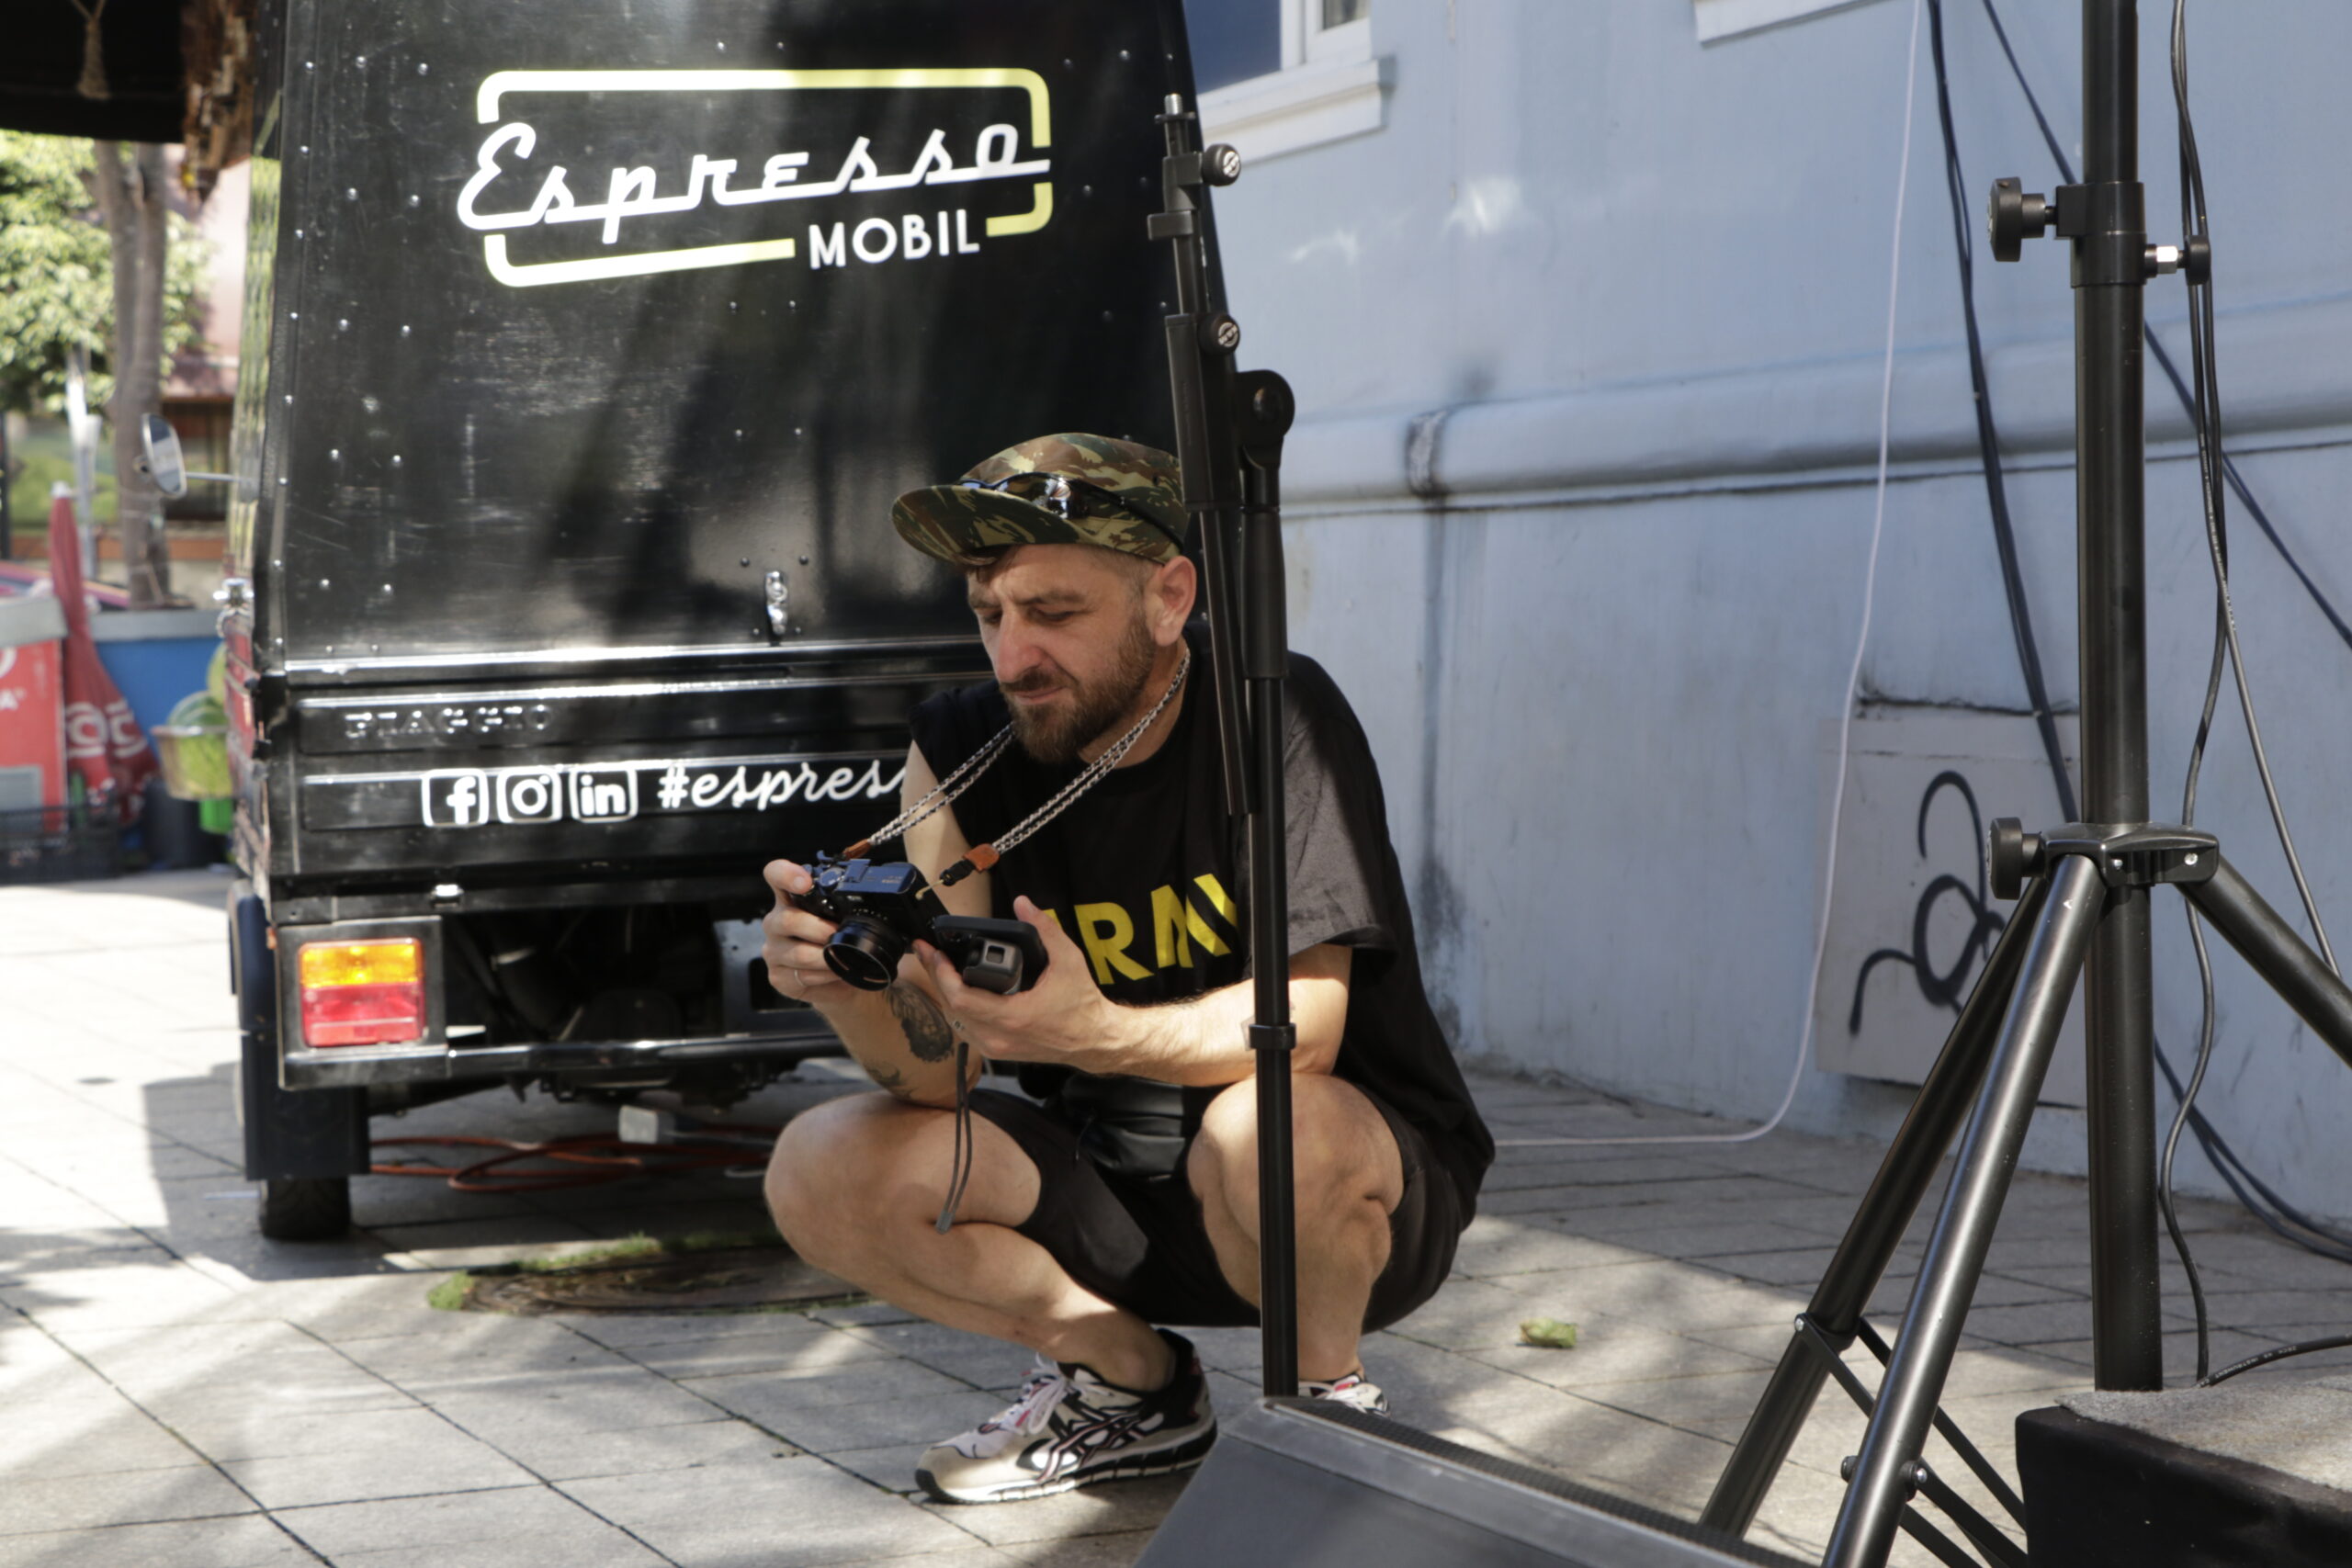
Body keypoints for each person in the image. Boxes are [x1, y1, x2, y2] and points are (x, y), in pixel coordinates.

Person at [760, 433, 1492, 1506]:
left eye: (1053, 613)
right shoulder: (962, 748)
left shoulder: (1269, 712)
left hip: (1333, 1196)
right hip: (1104, 1183)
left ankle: (1323, 1408)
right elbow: (940, 1076)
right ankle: (1130, 1384)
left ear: (1167, 597)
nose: (1013, 658)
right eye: (989, 615)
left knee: (1269, 1125)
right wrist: (846, 991)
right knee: (819, 1164)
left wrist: (1089, 1031)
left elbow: (1307, 1029)